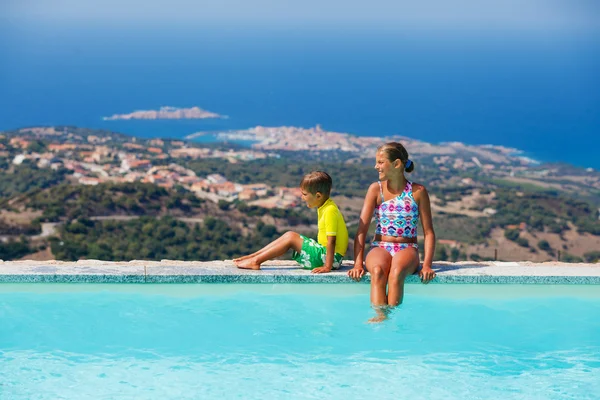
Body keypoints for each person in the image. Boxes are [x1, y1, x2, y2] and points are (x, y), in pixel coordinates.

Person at [348, 142, 436, 320]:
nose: (376, 166)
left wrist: (427, 265)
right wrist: (357, 263)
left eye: (381, 162)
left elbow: (429, 232)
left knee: (396, 273)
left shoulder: (418, 192)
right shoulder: (375, 189)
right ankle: (381, 316)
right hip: (380, 245)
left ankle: (393, 318)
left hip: (407, 248)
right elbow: (362, 229)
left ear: (396, 164)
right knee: (378, 271)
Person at [234, 171, 348, 273]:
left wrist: (327, 267)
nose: (302, 197)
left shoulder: (330, 210)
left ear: (318, 195)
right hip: (328, 256)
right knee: (289, 235)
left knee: (291, 238)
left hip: (331, 259)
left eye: (304, 194)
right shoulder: (324, 206)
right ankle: (253, 257)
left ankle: (255, 261)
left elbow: (331, 241)